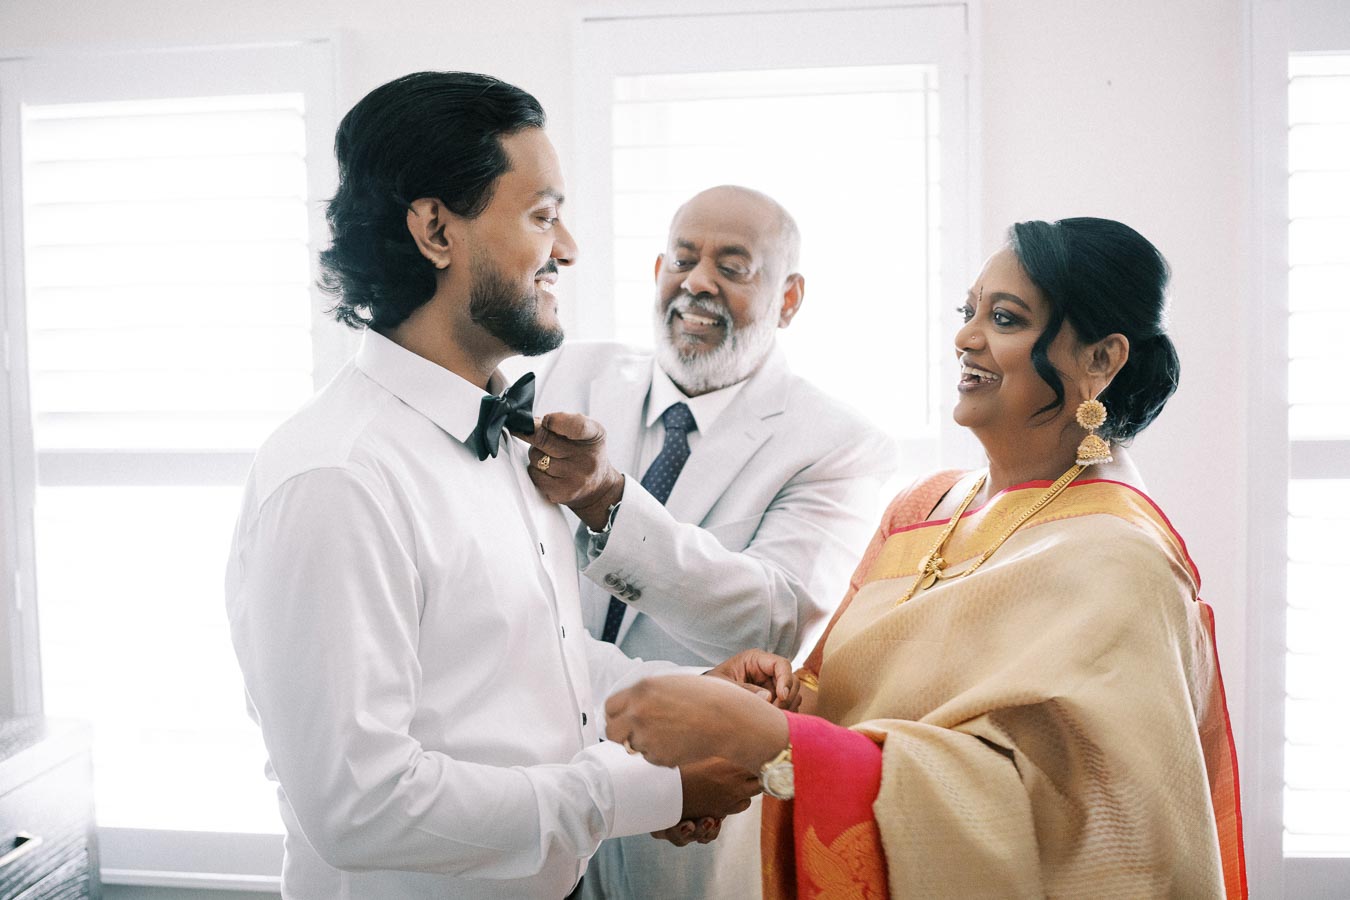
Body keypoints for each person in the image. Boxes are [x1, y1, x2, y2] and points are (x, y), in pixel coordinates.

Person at [224, 71, 793, 900]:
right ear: (434, 231)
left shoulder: (511, 440)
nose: (567, 249)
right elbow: (361, 804)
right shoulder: (338, 479)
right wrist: (641, 795)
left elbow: (526, 669)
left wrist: (685, 696)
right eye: (541, 217)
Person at [604, 217, 1247, 899]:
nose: (966, 337)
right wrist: (784, 698)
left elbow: (1082, 828)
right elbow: (853, 699)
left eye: (1005, 317)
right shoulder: (925, 507)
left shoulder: (1122, 560)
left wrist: (771, 740)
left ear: (1101, 361)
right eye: (969, 311)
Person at [519, 185, 897, 897]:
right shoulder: (566, 372)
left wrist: (608, 501)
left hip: (684, 820)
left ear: (789, 298)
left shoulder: (838, 444)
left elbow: (775, 618)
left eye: (733, 265)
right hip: (529, 793)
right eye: (683, 259)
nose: (697, 282)